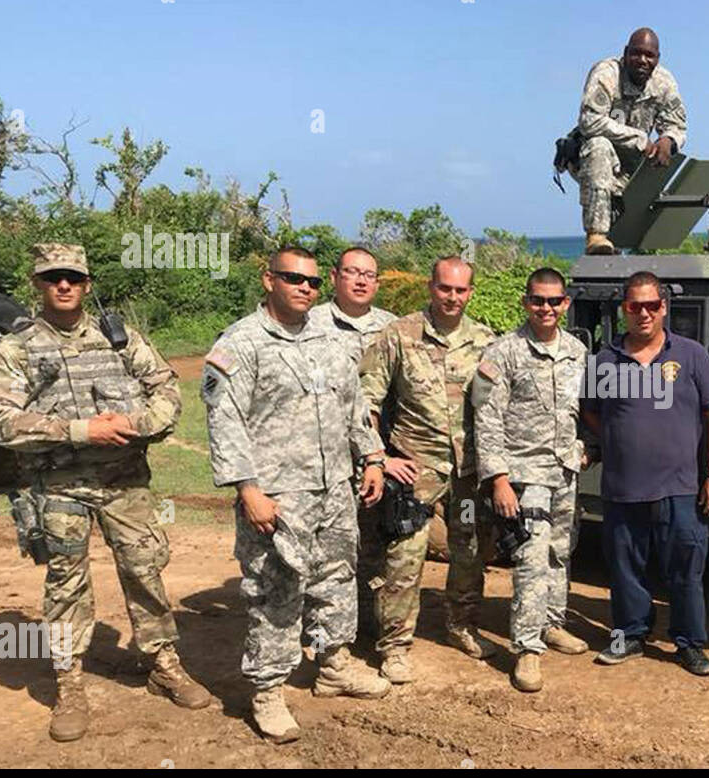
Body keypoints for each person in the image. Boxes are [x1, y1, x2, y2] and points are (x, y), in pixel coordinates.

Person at [0, 242, 210, 743]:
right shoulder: (16, 349)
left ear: (86, 284)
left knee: (145, 571)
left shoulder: (119, 338)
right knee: (66, 582)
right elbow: (0, 421)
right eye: (54, 276)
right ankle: (70, 682)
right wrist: (82, 431)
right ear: (38, 283)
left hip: (125, 482)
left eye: (73, 277)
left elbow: (166, 391)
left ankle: (164, 664)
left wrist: (134, 423)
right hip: (59, 486)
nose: (64, 285)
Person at [203, 245, 389, 743]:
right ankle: (268, 690)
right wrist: (248, 489)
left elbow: (354, 407)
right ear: (269, 281)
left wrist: (371, 457)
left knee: (336, 577)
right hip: (278, 495)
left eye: (309, 281)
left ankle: (333, 665)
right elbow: (225, 423)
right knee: (276, 589)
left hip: (333, 490)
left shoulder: (330, 338)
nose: (304, 287)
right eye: (292, 278)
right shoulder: (241, 343)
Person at [358, 256, 497, 682]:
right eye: (444, 288)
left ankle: (461, 625)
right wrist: (379, 457)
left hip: (470, 473)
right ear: (430, 287)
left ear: (470, 292)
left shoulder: (486, 340)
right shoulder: (398, 336)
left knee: (471, 550)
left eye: (461, 290)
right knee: (405, 556)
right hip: (416, 472)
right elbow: (366, 401)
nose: (452, 297)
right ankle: (395, 645)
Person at [582, 272, 709, 676]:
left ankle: (689, 643)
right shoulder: (605, 360)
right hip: (623, 488)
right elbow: (590, 411)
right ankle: (629, 634)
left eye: (651, 305)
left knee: (685, 570)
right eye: (634, 306)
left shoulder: (692, 355)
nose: (643, 313)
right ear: (623, 309)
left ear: (664, 307)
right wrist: (615, 438)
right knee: (626, 568)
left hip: (681, 487)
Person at [473, 268, 590, 692]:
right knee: (530, 560)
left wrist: (586, 446)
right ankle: (527, 648)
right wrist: (499, 479)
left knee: (561, 551)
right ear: (526, 302)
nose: (546, 308)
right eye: (538, 300)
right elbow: (486, 419)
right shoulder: (503, 352)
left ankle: (552, 624)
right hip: (524, 474)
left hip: (564, 470)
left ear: (565, 304)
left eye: (554, 301)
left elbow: (583, 410)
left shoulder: (577, 351)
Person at [309, 247, 397, 640]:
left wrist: (383, 456)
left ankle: (363, 622)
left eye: (369, 275)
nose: (361, 281)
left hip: (379, 457)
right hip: (324, 458)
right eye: (352, 272)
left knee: (374, 542)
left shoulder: (393, 328)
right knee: (324, 548)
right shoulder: (310, 324)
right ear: (334, 277)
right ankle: (318, 629)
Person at [566, 27, 687, 255]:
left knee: (663, 166)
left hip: (633, 164)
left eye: (649, 55)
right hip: (591, 159)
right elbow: (590, 121)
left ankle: (641, 245)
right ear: (625, 53)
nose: (642, 60)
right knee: (599, 146)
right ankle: (597, 236)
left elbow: (677, 124)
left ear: (657, 59)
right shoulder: (607, 73)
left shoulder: (664, 82)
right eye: (636, 53)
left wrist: (669, 141)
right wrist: (640, 139)